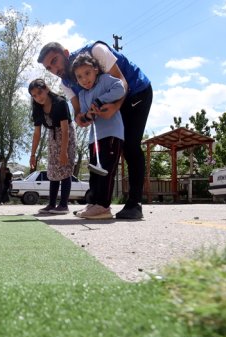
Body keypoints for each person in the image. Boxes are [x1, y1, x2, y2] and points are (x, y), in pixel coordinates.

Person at [38, 41, 152, 220]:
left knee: (130, 146)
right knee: (102, 152)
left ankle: (134, 203)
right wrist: (82, 118)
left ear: (66, 53)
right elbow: (78, 112)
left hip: (136, 91)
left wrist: (115, 107)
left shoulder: (96, 51)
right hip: (112, 102)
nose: (54, 69)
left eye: (54, 61)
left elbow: (122, 83)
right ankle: (97, 202)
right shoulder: (66, 83)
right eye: (49, 68)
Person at [69, 54, 126, 219]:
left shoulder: (105, 80)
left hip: (112, 134)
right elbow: (86, 115)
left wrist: (100, 101)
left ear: (95, 70)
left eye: (87, 73)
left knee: (106, 170)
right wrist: (86, 116)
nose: (84, 79)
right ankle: (94, 203)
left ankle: (103, 206)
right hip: (94, 138)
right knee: (94, 171)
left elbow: (120, 88)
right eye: (79, 77)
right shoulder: (81, 95)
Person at [28, 78, 75, 215]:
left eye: (40, 93)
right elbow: (37, 133)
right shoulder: (37, 108)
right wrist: (32, 155)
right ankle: (51, 204)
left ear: (46, 89)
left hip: (67, 135)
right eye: (34, 96)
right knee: (53, 169)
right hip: (52, 135)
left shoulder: (60, 102)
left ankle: (64, 205)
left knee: (65, 167)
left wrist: (64, 151)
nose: (38, 97)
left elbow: (65, 130)